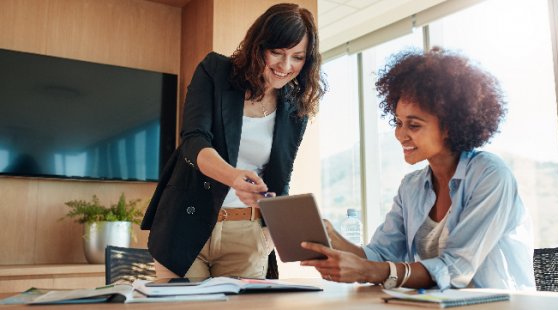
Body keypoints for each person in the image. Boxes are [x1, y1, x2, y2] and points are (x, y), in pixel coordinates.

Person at [301, 47, 535, 290]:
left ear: (450, 126)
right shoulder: (412, 187)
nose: (401, 135)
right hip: (439, 306)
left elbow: (454, 269)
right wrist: (334, 239)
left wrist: (369, 270)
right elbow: (381, 256)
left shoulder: (490, 175)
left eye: (413, 125)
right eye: (398, 122)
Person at [141, 3, 325, 280]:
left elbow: (279, 178)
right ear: (258, 46)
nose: (285, 66)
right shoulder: (215, 72)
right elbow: (194, 141)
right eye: (277, 52)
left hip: (247, 236)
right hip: (185, 225)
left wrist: (270, 238)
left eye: (297, 57)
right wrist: (233, 177)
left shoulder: (294, 109)